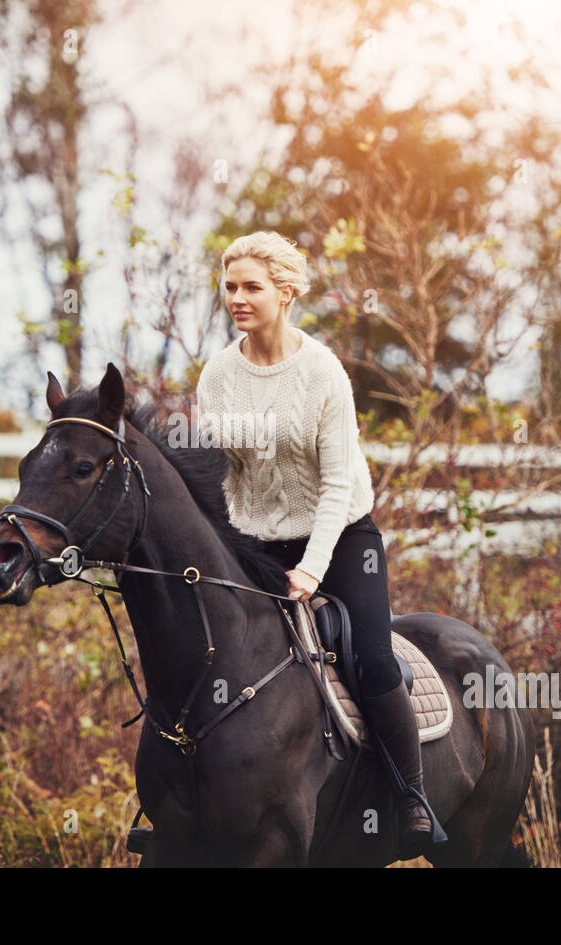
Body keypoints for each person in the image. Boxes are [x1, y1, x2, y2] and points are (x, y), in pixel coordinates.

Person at [195, 230, 435, 858]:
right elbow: (214, 477)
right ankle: (188, 800)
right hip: (254, 540)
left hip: (341, 535)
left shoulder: (322, 371)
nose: (238, 298)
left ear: (287, 292)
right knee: (212, 655)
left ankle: (410, 795)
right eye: (231, 287)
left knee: (370, 659)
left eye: (252, 287)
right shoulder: (218, 375)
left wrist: (310, 568)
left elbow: (336, 483)